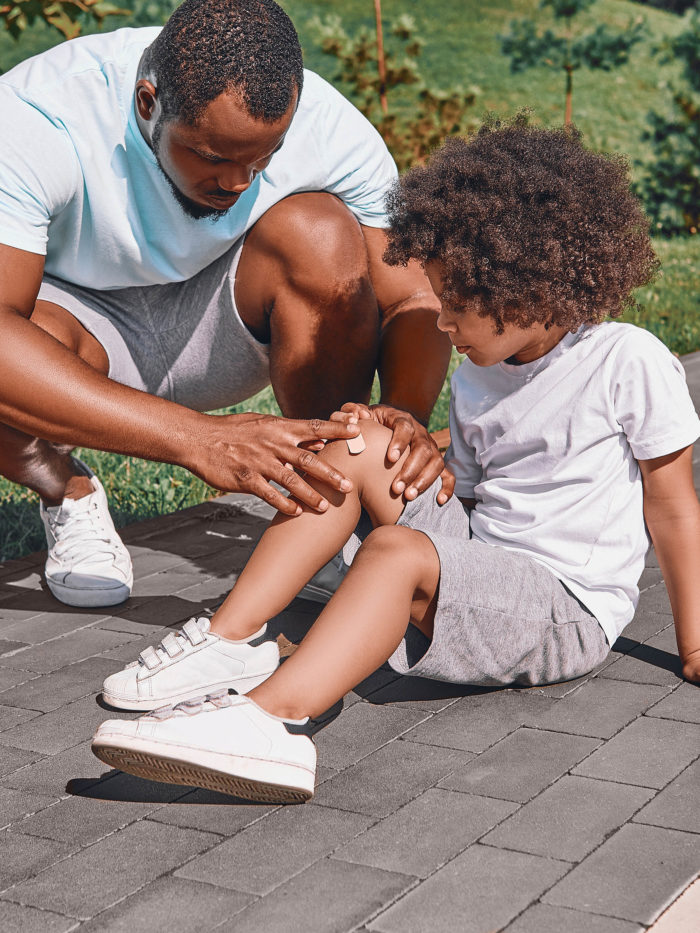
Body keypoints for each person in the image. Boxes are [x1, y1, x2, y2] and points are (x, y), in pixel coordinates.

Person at [92, 120, 700, 804]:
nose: (441, 324)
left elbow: (672, 504)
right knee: (361, 440)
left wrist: (695, 639)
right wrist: (410, 444)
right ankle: (230, 637)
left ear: (526, 289)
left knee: (396, 551)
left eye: (458, 306)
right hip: (485, 558)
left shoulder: (628, 360)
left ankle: (270, 721)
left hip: (565, 608)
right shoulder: (480, 373)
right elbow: (474, 481)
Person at [0, 0, 451, 608]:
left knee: (321, 232)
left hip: (219, 322)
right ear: (147, 104)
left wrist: (399, 418)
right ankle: (66, 488)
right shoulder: (38, 118)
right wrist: (200, 440)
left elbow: (412, 298)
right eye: (213, 157)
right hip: (72, 331)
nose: (239, 182)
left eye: (262, 159)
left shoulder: (324, 124)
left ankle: (326, 510)